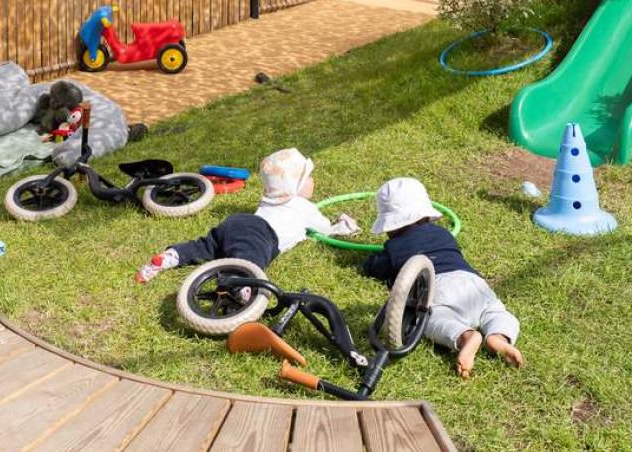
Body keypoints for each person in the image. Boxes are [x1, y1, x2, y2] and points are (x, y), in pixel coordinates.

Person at [363, 177, 524, 379]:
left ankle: (466, 337)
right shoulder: (444, 233)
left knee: (433, 319)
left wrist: (371, 262)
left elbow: (375, 268)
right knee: (495, 311)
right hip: (472, 282)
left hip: (436, 287)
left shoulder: (394, 247)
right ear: (426, 214)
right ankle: (498, 337)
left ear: (390, 225)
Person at [135, 148, 359, 283]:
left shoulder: (269, 198)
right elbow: (327, 231)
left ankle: (171, 256)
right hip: (261, 233)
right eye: (308, 178)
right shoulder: (304, 207)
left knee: (206, 246)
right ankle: (242, 285)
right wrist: (345, 225)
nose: (313, 181)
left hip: (237, 223)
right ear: (295, 186)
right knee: (249, 261)